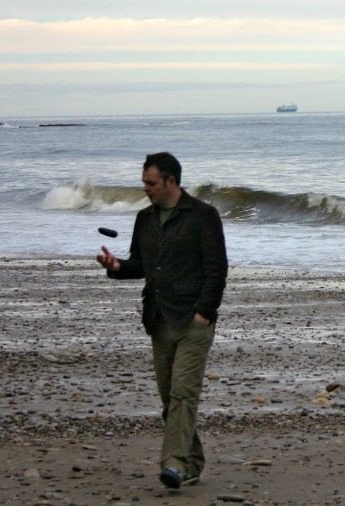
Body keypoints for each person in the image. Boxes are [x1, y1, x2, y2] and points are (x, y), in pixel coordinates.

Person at [96, 152, 228, 490]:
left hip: (194, 321)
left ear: (171, 181)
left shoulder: (203, 216)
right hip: (158, 319)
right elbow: (140, 265)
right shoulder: (145, 219)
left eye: (151, 183)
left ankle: (173, 465)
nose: (145, 188)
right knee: (171, 397)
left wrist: (204, 313)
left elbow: (217, 269)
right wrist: (116, 268)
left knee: (184, 393)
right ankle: (193, 462)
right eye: (144, 182)